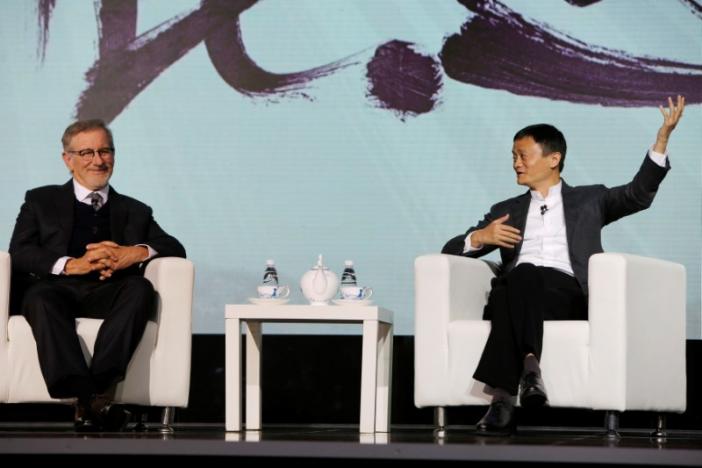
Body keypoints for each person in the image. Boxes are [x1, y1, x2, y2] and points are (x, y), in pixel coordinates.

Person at [441, 96, 685, 435]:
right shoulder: (506, 209)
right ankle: (529, 369)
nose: (516, 164)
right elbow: (449, 251)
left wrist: (661, 141)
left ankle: (501, 400)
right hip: (518, 291)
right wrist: (481, 237)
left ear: (553, 159)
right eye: (513, 157)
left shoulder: (589, 199)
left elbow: (637, 195)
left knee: (515, 283)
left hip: (563, 294)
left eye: (523, 156)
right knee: (518, 278)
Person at [9, 119, 186, 432]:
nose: (98, 160)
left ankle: (94, 392)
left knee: (140, 288)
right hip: (56, 290)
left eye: (105, 151)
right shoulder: (40, 200)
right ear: (68, 159)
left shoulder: (135, 210)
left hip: (107, 292)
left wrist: (135, 252)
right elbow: (20, 252)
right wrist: (71, 265)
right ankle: (92, 397)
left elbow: (174, 246)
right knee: (39, 297)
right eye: (87, 152)